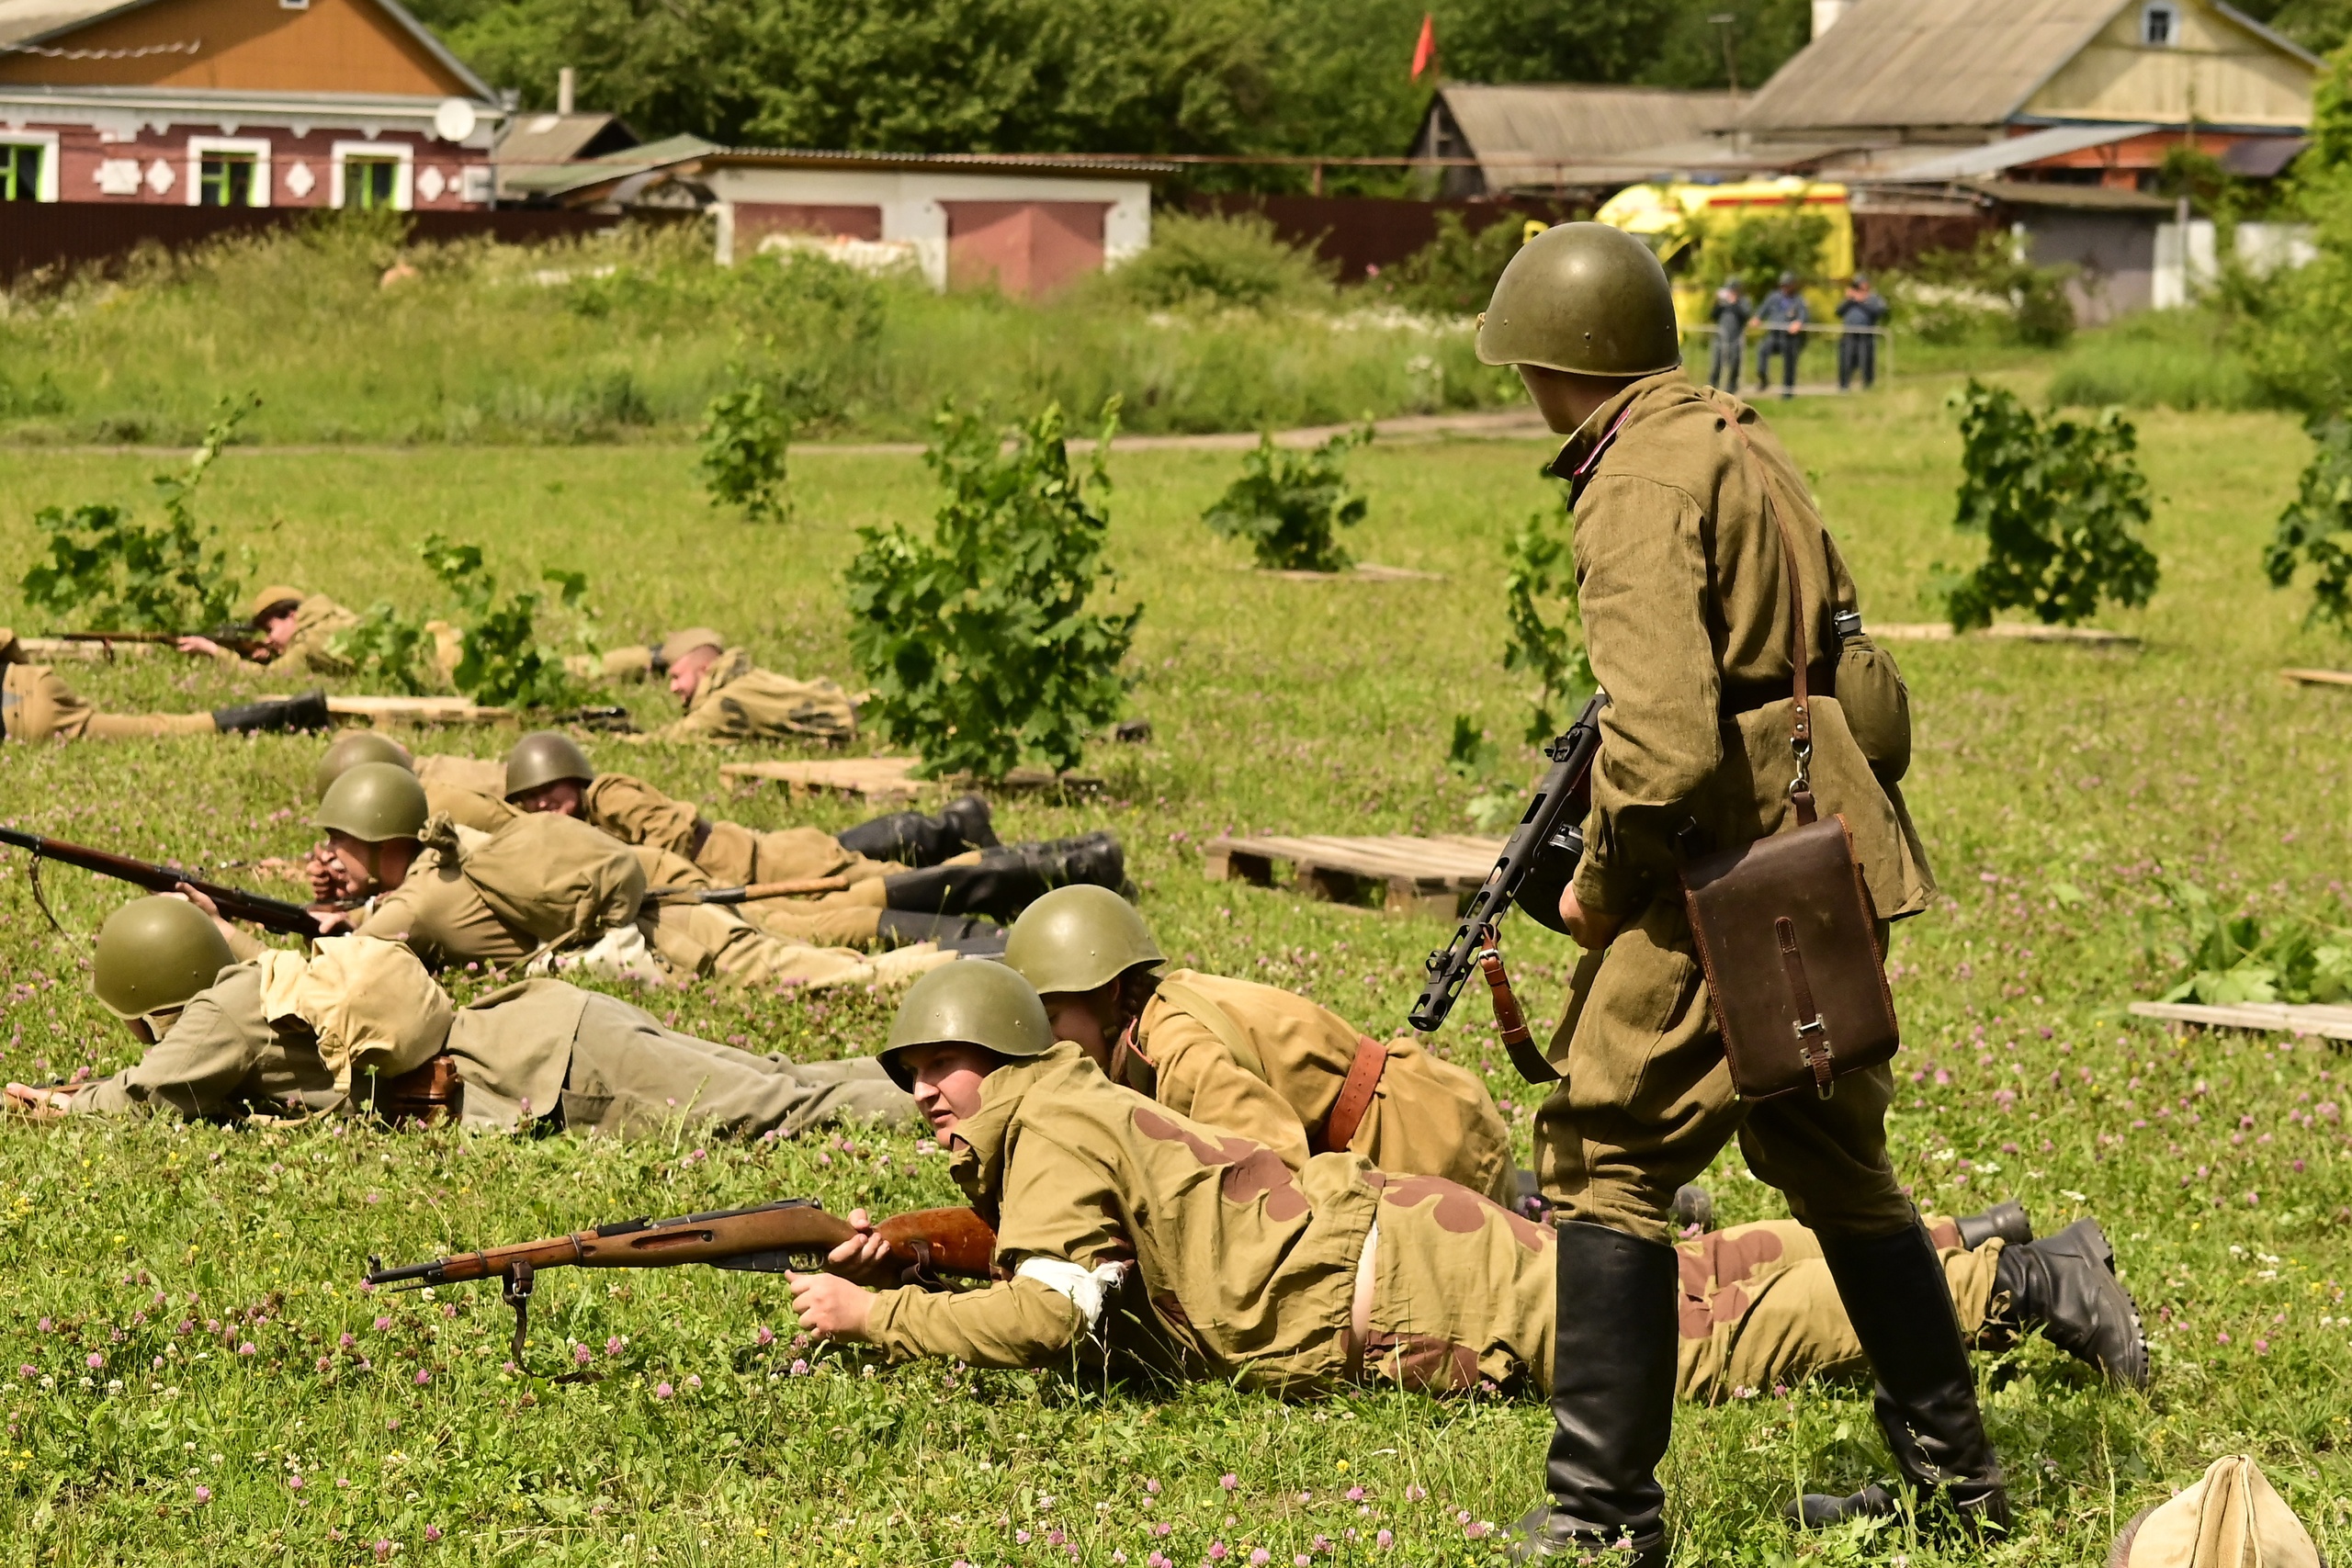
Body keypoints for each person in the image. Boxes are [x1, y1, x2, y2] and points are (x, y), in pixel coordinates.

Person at [1474, 223, 1976, 1561]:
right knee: (1827, 1149)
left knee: (1606, 1146)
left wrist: (1597, 880)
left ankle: (1598, 1514)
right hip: (1821, 834)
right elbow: (1865, 686)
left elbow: (1665, 744)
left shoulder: (1634, 480)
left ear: (1551, 359)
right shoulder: (1742, 439)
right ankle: (1959, 1481)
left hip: (1725, 854)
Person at [786, 967, 2147, 1409]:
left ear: (1010, 1054)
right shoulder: (1068, 1107)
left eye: (944, 1066)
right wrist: (924, 1262)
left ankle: (2013, 1288)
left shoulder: (1054, 1128)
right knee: (1673, 1280)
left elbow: (1053, 1314)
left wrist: (871, 1320)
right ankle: (1955, 1240)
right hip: (1392, 1234)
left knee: (1684, 1352)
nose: (925, 1092)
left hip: (1396, 1276)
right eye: (911, 1073)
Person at [2, 895, 911, 1135]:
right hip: (554, 1029)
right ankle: (943, 1071)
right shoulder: (268, 986)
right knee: (788, 1084)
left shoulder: (223, 1018)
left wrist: (52, 1108)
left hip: (556, 1070)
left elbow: (145, 1100)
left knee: (781, 1110)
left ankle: (963, 1094)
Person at [1001, 885, 1515, 1204]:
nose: (1044, 1040)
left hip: (1430, 1149)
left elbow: (1271, 1189)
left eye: (1051, 1018)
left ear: (1110, 994)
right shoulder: (1152, 1022)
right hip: (1389, 1142)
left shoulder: (1181, 1052)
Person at [305, 761, 952, 990]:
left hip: (667, 941)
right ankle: (968, 956)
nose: (331, 851)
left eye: (339, 838)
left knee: (828, 975)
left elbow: (328, 971)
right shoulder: (454, 851)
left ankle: (980, 963)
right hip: (663, 909)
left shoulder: (414, 903)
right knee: (814, 956)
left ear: (376, 837)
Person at [2, 626, 328, 743]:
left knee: (160, 727)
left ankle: (294, 714)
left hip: (24, 722)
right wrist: (24, 673)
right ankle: (293, 713)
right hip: (31, 685)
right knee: (159, 725)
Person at [644, 628, 858, 744]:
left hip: (857, 723)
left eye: (677, 677)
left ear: (704, 668)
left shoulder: (727, 702)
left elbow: (671, 740)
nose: (673, 687)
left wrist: (619, 736)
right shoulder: (740, 679)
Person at [175, 583, 359, 676]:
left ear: (291, 616)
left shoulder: (308, 644)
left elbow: (268, 677)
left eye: (269, 630)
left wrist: (213, 651)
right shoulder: (332, 615)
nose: (268, 639)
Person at [1753, 270, 1810, 399]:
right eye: (1783, 285)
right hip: (1774, 335)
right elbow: (1762, 310)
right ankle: (1763, 379)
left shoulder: (1798, 300)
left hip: (1790, 338)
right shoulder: (1773, 297)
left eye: (1787, 285)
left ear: (1793, 285)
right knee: (1762, 350)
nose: (1785, 288)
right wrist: (1757, 318)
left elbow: (1804, 315)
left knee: (1789, 364)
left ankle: (1787, 392)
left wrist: (1799, 323)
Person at [1835, 275, 1889, 392]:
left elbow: (1879, 311)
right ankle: (1844, 387)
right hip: (1849, 335)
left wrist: (1861, 302)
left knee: (1866, 361)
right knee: (1846, 361)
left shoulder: (1873, 298)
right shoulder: (1850, 300)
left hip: (1865, 336)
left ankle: (1868, 386)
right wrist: (1849, 299)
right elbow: (1838, 312)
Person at [1707, 275, 1750, 393]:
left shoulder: (1743, 301)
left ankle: (1731, 388)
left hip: (1736, 338)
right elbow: (1713, 316)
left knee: (1734, 364)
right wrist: (1717, 303)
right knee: (1716, 363)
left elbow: (1746, 315)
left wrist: (1735, 303)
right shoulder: (1722, 302)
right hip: (1720, 338)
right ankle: (1712, 388)